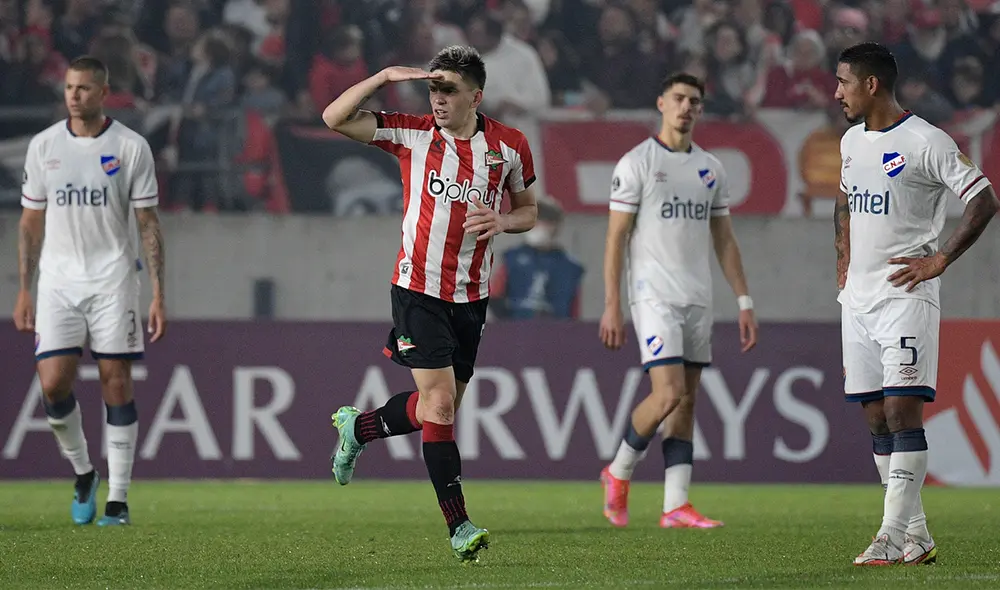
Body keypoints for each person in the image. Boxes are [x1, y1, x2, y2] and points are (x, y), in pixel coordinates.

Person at [321, 45, 538, 563]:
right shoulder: (412, 134)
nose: (437, 99)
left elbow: (528, 210)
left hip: (471, 297)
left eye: (448, 90)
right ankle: (459, 526)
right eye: (432, 89)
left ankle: (358, 428)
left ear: (475, 97)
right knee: (440, 407)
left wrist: (503, 221)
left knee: (436, 410)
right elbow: (334, 118)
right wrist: (381, 76)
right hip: (417, 290)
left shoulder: (509, 146)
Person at [833, 42, 997, 566]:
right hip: (857, 302)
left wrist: (940, 258)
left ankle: (889, 534)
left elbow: (984, 199)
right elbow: (845, 201)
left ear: (871, 84)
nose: (836, 93)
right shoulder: (851, 141)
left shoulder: (927, 140)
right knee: (876, 417)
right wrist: (843, 257)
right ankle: (918, 535)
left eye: (843, 82)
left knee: (902, 411)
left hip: (906, 296)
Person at [598, 73, 759, 529]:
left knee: (685, 403)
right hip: (653, 296)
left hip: (698, 297)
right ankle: (619, 470)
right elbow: (615, 239)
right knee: (667, 393)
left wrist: (744, 299)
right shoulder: (637, 163)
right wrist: (612, 304)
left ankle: (675, 505)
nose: (687, 107)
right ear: (661, 104)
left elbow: (724, 240)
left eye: (694, 101)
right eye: (679, 98)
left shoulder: (711, 168)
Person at [13, 56, 167, 527]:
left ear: (103, 92)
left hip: (113, 279)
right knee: (53, 384)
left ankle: (118, 500)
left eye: (83, 88)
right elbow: (30, 223)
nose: (74, 96)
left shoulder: (130, 147)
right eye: (69, 88)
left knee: (115, 382)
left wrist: (158, 292)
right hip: (58, 282)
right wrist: (24, 289)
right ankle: (84, 472)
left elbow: (148, 223)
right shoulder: (44, 146)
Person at [489, 194, 584, 320]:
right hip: (516, 329)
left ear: (554, 226)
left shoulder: (570, 267)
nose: (535, 227)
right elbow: (494, 295)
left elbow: (573, 311)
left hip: (556, 330)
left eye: (541, 222)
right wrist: (507, 323)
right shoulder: (512, 258)